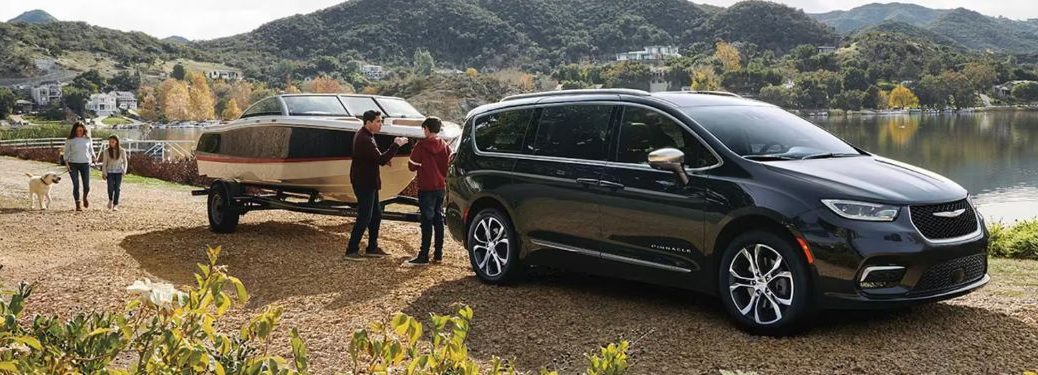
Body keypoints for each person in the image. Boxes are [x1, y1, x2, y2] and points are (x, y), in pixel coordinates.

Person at [345, 110, 408, 260]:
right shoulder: (364, 138)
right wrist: (396, 145)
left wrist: (385, 159)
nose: (381, 124)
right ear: (368, 122)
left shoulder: (367, 136)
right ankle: (351, 250)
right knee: (365, 216)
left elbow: (374, 157)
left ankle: (372, 247)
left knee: (376, 214)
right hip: (364, 182)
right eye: (378, 121)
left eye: (381, 121)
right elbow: (380, 159)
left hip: (369, 181)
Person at [403, 117, 451, 266]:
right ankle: (438, 254)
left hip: (426, 188)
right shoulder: (444, 145)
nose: (423, 131)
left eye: (424, 129)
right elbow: (449, 163)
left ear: (427, 129)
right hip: (440, 187)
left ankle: (423, 255)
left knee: (426, 221)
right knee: (438, 219)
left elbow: (412, 166)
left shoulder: (421, 146)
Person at [63, 122, 94, 211]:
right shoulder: (70, 140)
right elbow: (66, 153)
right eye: (77, 131)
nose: (79, 132)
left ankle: (85, 197)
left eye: (81, 130)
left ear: (84, 130)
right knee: (76, 185)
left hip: (85, 164)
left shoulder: (88, 139)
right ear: (74, 131)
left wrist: (94, 157)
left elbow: (91, 150)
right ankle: (78, 203)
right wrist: (67, 164)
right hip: (73, 164)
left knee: (87, 186)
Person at [99, 135, 128, 211]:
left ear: (116, 142)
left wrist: (124, 170)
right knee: (110, 187)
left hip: (119, 172)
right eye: (110, 142)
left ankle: (115, 204)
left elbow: (125, 161)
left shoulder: (122, 151)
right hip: (110, 172)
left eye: (113, 142)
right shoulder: (106, 151)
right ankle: (110, 199)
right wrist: (104, 173)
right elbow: (104, 163)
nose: (111, 143)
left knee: (117, 188)